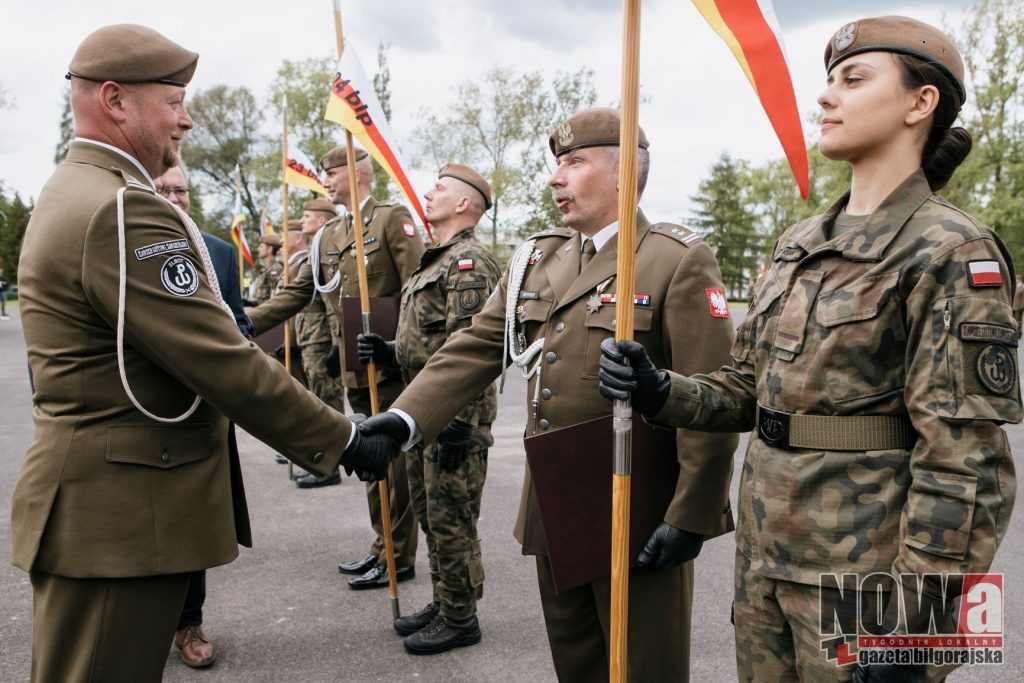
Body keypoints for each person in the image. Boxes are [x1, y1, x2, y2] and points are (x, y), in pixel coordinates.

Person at [598, 16, 1020, 683]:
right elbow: (748, 386)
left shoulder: (950, 250)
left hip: (865, 586)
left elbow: (966, 464)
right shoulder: (799, 243)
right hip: (767, 562)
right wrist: (662, 390)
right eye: (827, 82)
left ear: (921, 103)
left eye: (853, 79)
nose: (825, 97)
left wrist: (918, 632)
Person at [10, 24, 401, 682]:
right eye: (174, 102)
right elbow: (220, 358)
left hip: (102, 509)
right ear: (115, 100)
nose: (186, 121)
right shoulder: (122, 211)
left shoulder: (77, 189)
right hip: (121, 517)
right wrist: (344, 439)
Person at [357, 108, 738, 680]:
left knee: (640, 667)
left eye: (574, 162)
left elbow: (711, 394)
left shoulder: (673, 260)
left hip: (633, 501)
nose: (555, 178)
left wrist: (692, 515)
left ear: (623, 173)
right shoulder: (539, 257)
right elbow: (476, 345)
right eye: (556, 164)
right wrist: (403, 418)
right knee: (577, 660)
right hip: (555, 497)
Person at [247, 145, 424, 590]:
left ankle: (398, 556)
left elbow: (419, 290)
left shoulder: (389, 219)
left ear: (357, 171)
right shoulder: (329, 234)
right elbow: (295, 295)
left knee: (393, 464)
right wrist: (241, 325)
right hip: (352, 367)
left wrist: (395, 346)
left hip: (387, 366)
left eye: (332, 171)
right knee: (366, 455)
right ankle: (381, 546)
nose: (325, 179)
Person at [357, 164, 500, 654]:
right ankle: (445, 599)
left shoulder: (471, 263)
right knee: (427, 511)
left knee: (451, 518)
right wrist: (389, 350)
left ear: (465, 203)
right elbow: (428, 343)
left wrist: (459, 420)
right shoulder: (434, 262)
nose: (427, 193)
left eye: (440, 188)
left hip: (453, 420)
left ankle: (462, 617)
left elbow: (472, 351)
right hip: (423, 416)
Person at [154, 162, 251, 668]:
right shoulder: (126, 246)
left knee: (192, 523)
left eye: (181, 190)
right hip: (143, 414)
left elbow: (239, 323)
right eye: (161, 188)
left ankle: (189, 623)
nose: (173, 197)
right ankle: (145, 623)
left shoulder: (218, 253)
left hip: (200, 415)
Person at [293, 199, 347, 488]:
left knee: (329, 405)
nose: (302, 221)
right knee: (317, 402)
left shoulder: (328, 252)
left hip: (323, 341)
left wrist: (337, 343)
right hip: (310, 340)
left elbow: (332, 303)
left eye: (307, 216)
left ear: (323, 218)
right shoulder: (315, 253)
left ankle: (331, 466)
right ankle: (323, 461)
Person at [251, 233, 284, 305]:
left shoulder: (275, 269)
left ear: (269, 249)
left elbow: (276, 296)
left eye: (261, 246)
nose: (258, 249)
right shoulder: (266, 269)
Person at [1013, 274, 1024, 338]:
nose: (1016, 280)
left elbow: (1023, 299)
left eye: (1017, 279)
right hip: (1013, 306)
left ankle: (1018, 333)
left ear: (1019, 279)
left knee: (1018, 321)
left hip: (1019, 307)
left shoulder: (1022, 287)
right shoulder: (1016, 286)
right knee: (1013, 320)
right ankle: (1014, 332)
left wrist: (1021, 307)